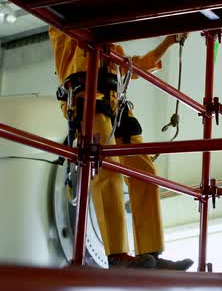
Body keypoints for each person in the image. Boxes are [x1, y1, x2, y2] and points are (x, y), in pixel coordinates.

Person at [49, 26, 193, 270]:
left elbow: (137, 65)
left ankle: (151, 253)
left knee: (145, 172)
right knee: (108, 173)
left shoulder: (111, 49)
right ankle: (117, 256)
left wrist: (168, 41)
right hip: (88, 102)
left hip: (115, 107)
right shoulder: (68, 35)